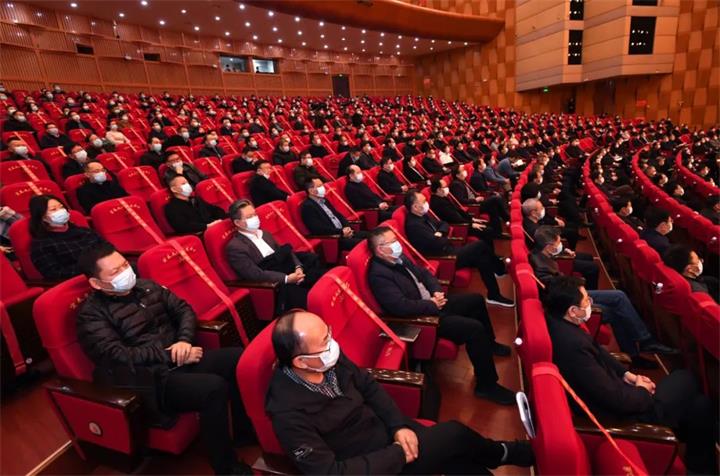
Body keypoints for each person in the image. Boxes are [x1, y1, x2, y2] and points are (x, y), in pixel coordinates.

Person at [266, 311, 534, 473]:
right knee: (454, 434)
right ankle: (504, 452)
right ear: (301, 362)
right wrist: (397, 454)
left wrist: (398, 426)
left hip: (383, 430)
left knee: (459, 460)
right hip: (370, 463)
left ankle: (501, 453)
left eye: (329, 334)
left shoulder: (326, 359)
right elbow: (329, 472)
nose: (332, 344)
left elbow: (369, 387)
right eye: (325, 341)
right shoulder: (287, 413)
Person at [76, 242, 252, 475]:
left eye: (125, 265)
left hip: (180, 357)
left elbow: (184, 310)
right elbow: (116, 355)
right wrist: (170, 355)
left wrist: (184, 341)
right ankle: (226, 467)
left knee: (239, 358)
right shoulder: (91, 315)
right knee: (213, 388)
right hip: (149, 380)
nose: (125, 272)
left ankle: (243, 433)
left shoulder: (147, 286)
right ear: (96, 283)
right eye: (115, 271)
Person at [544, 276, 718, 474]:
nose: (590, 303)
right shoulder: (573, 347)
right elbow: (614, 398)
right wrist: (643, 391)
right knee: (687, 379)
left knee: (701, 406)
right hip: (623, 416)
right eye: (586, 300)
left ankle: (700, 469)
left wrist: (628, 375)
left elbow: (597, 351)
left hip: (620, 394)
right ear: (573, 311)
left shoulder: (560, 323)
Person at [368, 227, 516, 402]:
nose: (397, 244)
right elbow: (400, 307)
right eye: (392, 242)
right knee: (474, 329)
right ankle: (487, 386)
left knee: (476, 300)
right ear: (380, 249)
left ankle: (489, 345)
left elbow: (424, 273)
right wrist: (431, 304)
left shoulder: (398, 257)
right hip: (422, 317)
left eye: (396, 240)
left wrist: (436, 291)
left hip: (433, 302)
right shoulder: (379, 275)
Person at [531, 226, 675, 367]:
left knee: (619, 296)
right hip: (570, 300)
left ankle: (644, 340)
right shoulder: (541, 267)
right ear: (549, 247)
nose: (560, 245)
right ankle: (635, 352)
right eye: (558, 243)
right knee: (614, 311)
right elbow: (556, 290)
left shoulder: (543, 255)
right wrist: (582, 295)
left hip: (573, 292)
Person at [404, 191, 514, 307]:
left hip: (448, 248)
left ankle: (494, 294)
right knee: (480, 245)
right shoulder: (414, 225)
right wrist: (444, 236)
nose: (426, 203)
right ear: (415, 207)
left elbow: (444, 224)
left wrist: (441, 233)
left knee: (483, 258)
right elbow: (437, 243)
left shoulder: (423, 215)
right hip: (444, 257)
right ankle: (499, 269)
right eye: (423, 201)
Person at [225, 199, 325, 312]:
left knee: (314, 264)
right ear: (237, 223)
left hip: (289, 268)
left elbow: (285, 251)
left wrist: (298, 267)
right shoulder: (235, 247)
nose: (255, 218)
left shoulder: (265, 233)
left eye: (255, 214)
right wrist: (287, 279)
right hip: (274, 280)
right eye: (249, 217)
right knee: (302, 295)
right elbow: (255, 274)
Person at [29, 194, 104, 279]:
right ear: (42, 217)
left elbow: (108, 249)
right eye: (53, 209)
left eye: (61, 207)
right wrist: (92, 267)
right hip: (81, 280)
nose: (61, 211)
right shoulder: (41, 245)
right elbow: (54, 274)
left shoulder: (85, 231)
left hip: (106, 272)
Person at [301, 178, 368, 251]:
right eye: (319, 186)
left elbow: (338, 215)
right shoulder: (307, 206)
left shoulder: (324, 200)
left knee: (371, 236)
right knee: (367, 244)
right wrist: (341, 232)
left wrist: (347, 227)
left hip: (344, 232)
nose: (323, 188)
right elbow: (318, 228)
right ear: (311, 191)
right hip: (335, 238)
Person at [449, 166, 509, 236]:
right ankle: (507, 218)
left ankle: (498, 232)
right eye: (462, 170)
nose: (465, 171)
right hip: (473, 206)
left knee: (493, 208)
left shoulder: (462, 181)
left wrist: (477, 197)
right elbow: (461, 201)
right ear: (457, 175)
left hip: (477, 202)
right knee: (496, 198)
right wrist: (475, 200)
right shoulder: (456, 184)